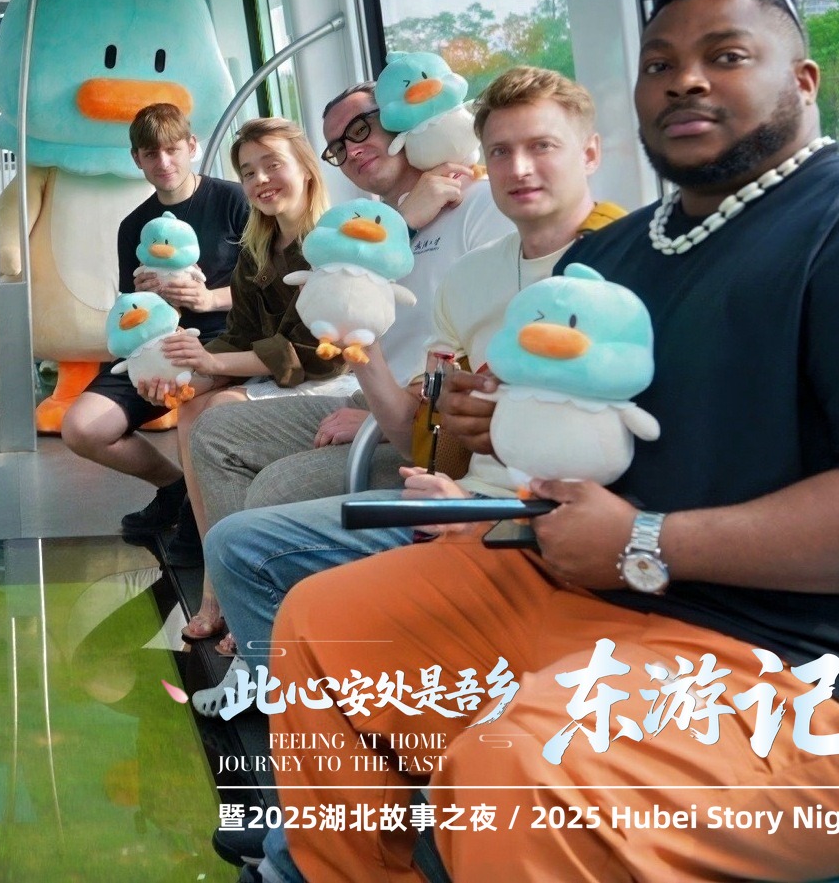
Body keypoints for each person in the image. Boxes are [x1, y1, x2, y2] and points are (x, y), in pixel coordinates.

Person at [263, 0, 839, 881]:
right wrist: (494, 426)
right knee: (325, 627)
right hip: (604, 600)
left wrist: (645, 539)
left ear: (802, 80)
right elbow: (615, 436)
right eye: (658, 63)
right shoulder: (615, 255)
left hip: (824, 669)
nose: (684, 80)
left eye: (726, 55)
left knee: (519, 776)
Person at [198, 69, 621, 871]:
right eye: (503, 150)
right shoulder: (472, 280)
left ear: (589, 153)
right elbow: (428, 440)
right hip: (464, 499)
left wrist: (467, 484)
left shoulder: (625, 265)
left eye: (541, 147)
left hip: (546, 518)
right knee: (239, 543)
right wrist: (362, 359)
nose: (520, 168)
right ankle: (320, 798)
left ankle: (306, 839)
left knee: (286, 560)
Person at [178, 79, 516, 598]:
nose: (352, 149)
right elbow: (320, 313)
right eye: (338, 146)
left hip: (428, 415)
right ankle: (226, 594)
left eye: (362, 129)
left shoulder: (473, 204)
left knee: (274, 489)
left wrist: (391, 414)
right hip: (377, 397)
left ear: (403, 124)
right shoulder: (366, 227)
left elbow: (479, 352)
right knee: (213, 430)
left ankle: (277, 614)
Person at [142, 118, 343, 638]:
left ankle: (230, 588)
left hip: (332, 381)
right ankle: (220, 581)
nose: (260, 180)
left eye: (272, 164)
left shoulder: (331, 245)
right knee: (191, 408)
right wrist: (186, 375)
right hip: (281, 377)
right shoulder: (258, 249)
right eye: (249, 172)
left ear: (306, 169)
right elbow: (240, 335)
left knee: (218, 413)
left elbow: (314, 357)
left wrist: (211, 368)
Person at [61, 102, 249, 537]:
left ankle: (200, 524)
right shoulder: (135, 226)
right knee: (81, 428)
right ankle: (175, 489)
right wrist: (148, 301)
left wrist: (209, 298)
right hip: (157, 345)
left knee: (186, 404)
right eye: (151, 154)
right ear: (137, 160)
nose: (163, 162)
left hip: (226, 341)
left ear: (191, 146)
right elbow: (131, 314)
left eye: (172, 150)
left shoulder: (234, 201)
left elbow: (270, 288)